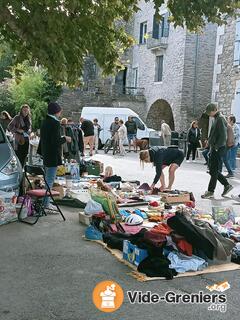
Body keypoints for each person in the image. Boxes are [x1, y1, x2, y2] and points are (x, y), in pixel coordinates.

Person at [38, 102, 71, 209]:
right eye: (60, 111)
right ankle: (46, 203)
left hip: (46, 153)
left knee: (48, 179)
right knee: (49, 180)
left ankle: (46, 201)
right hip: (52, 155)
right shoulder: (55, 123)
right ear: (57, 111)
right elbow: (55, 141)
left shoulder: (45, 121)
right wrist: (65, 138)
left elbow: (48, 138)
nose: (61, 112)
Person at [201, 104, 233, 199]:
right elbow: (216, 134)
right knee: (212, 170)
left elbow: (223, 136)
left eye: (210, 112)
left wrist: (216, 147)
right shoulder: (217, 118)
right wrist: (210, 143)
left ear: (214, 110)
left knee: (213, 170)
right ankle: (226, 185)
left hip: (218, 148)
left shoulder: (220, 119)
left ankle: (211, 191)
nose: (209, 114)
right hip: (216, 148)